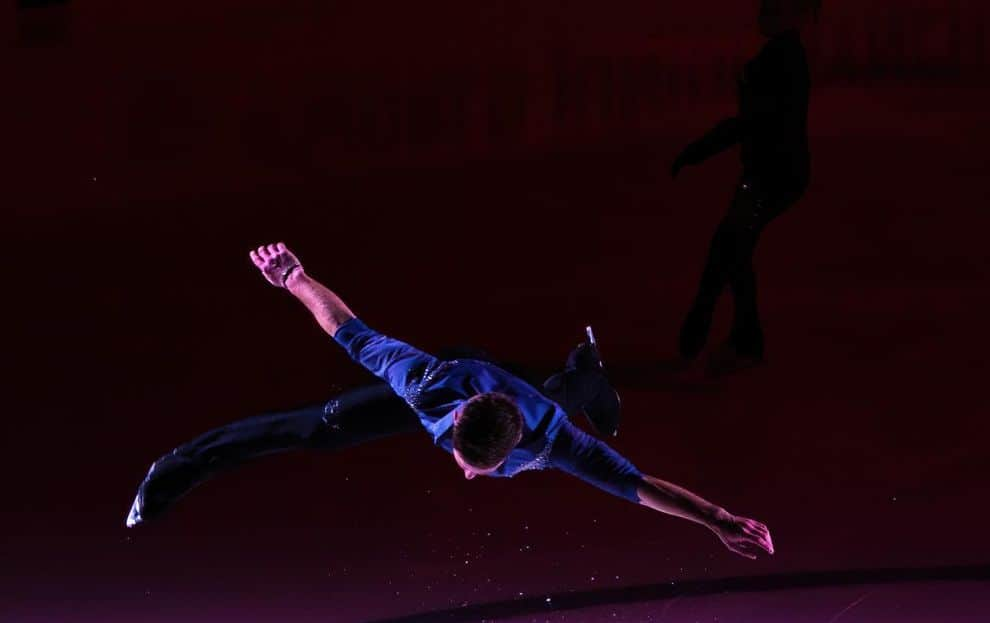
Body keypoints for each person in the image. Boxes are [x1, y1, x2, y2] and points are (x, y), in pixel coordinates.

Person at [126, 243, 774, 560]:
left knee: (564, 398)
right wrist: (295, 279)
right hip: (463, 372)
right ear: (459, 422)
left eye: (479, 471)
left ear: (517, 443)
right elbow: (349, 329)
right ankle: (179, 467)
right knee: (320, 427)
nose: (465, 475)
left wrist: (719, 519)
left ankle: (587, 373)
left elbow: (636, 485)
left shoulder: (552, 439)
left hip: (527, 400)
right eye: (466, 461)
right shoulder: (425, 383)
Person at [672, 0, 818, 372]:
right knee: (733, 249)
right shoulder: (781, 56)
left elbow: (752, 122)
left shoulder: (782, 59)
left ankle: (726, 335)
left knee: (730, 247)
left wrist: (700, 149)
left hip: (771, 177)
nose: (762, 14)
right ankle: (742, 337)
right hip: (771, 174)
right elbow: (753, 121)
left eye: (773, 8)